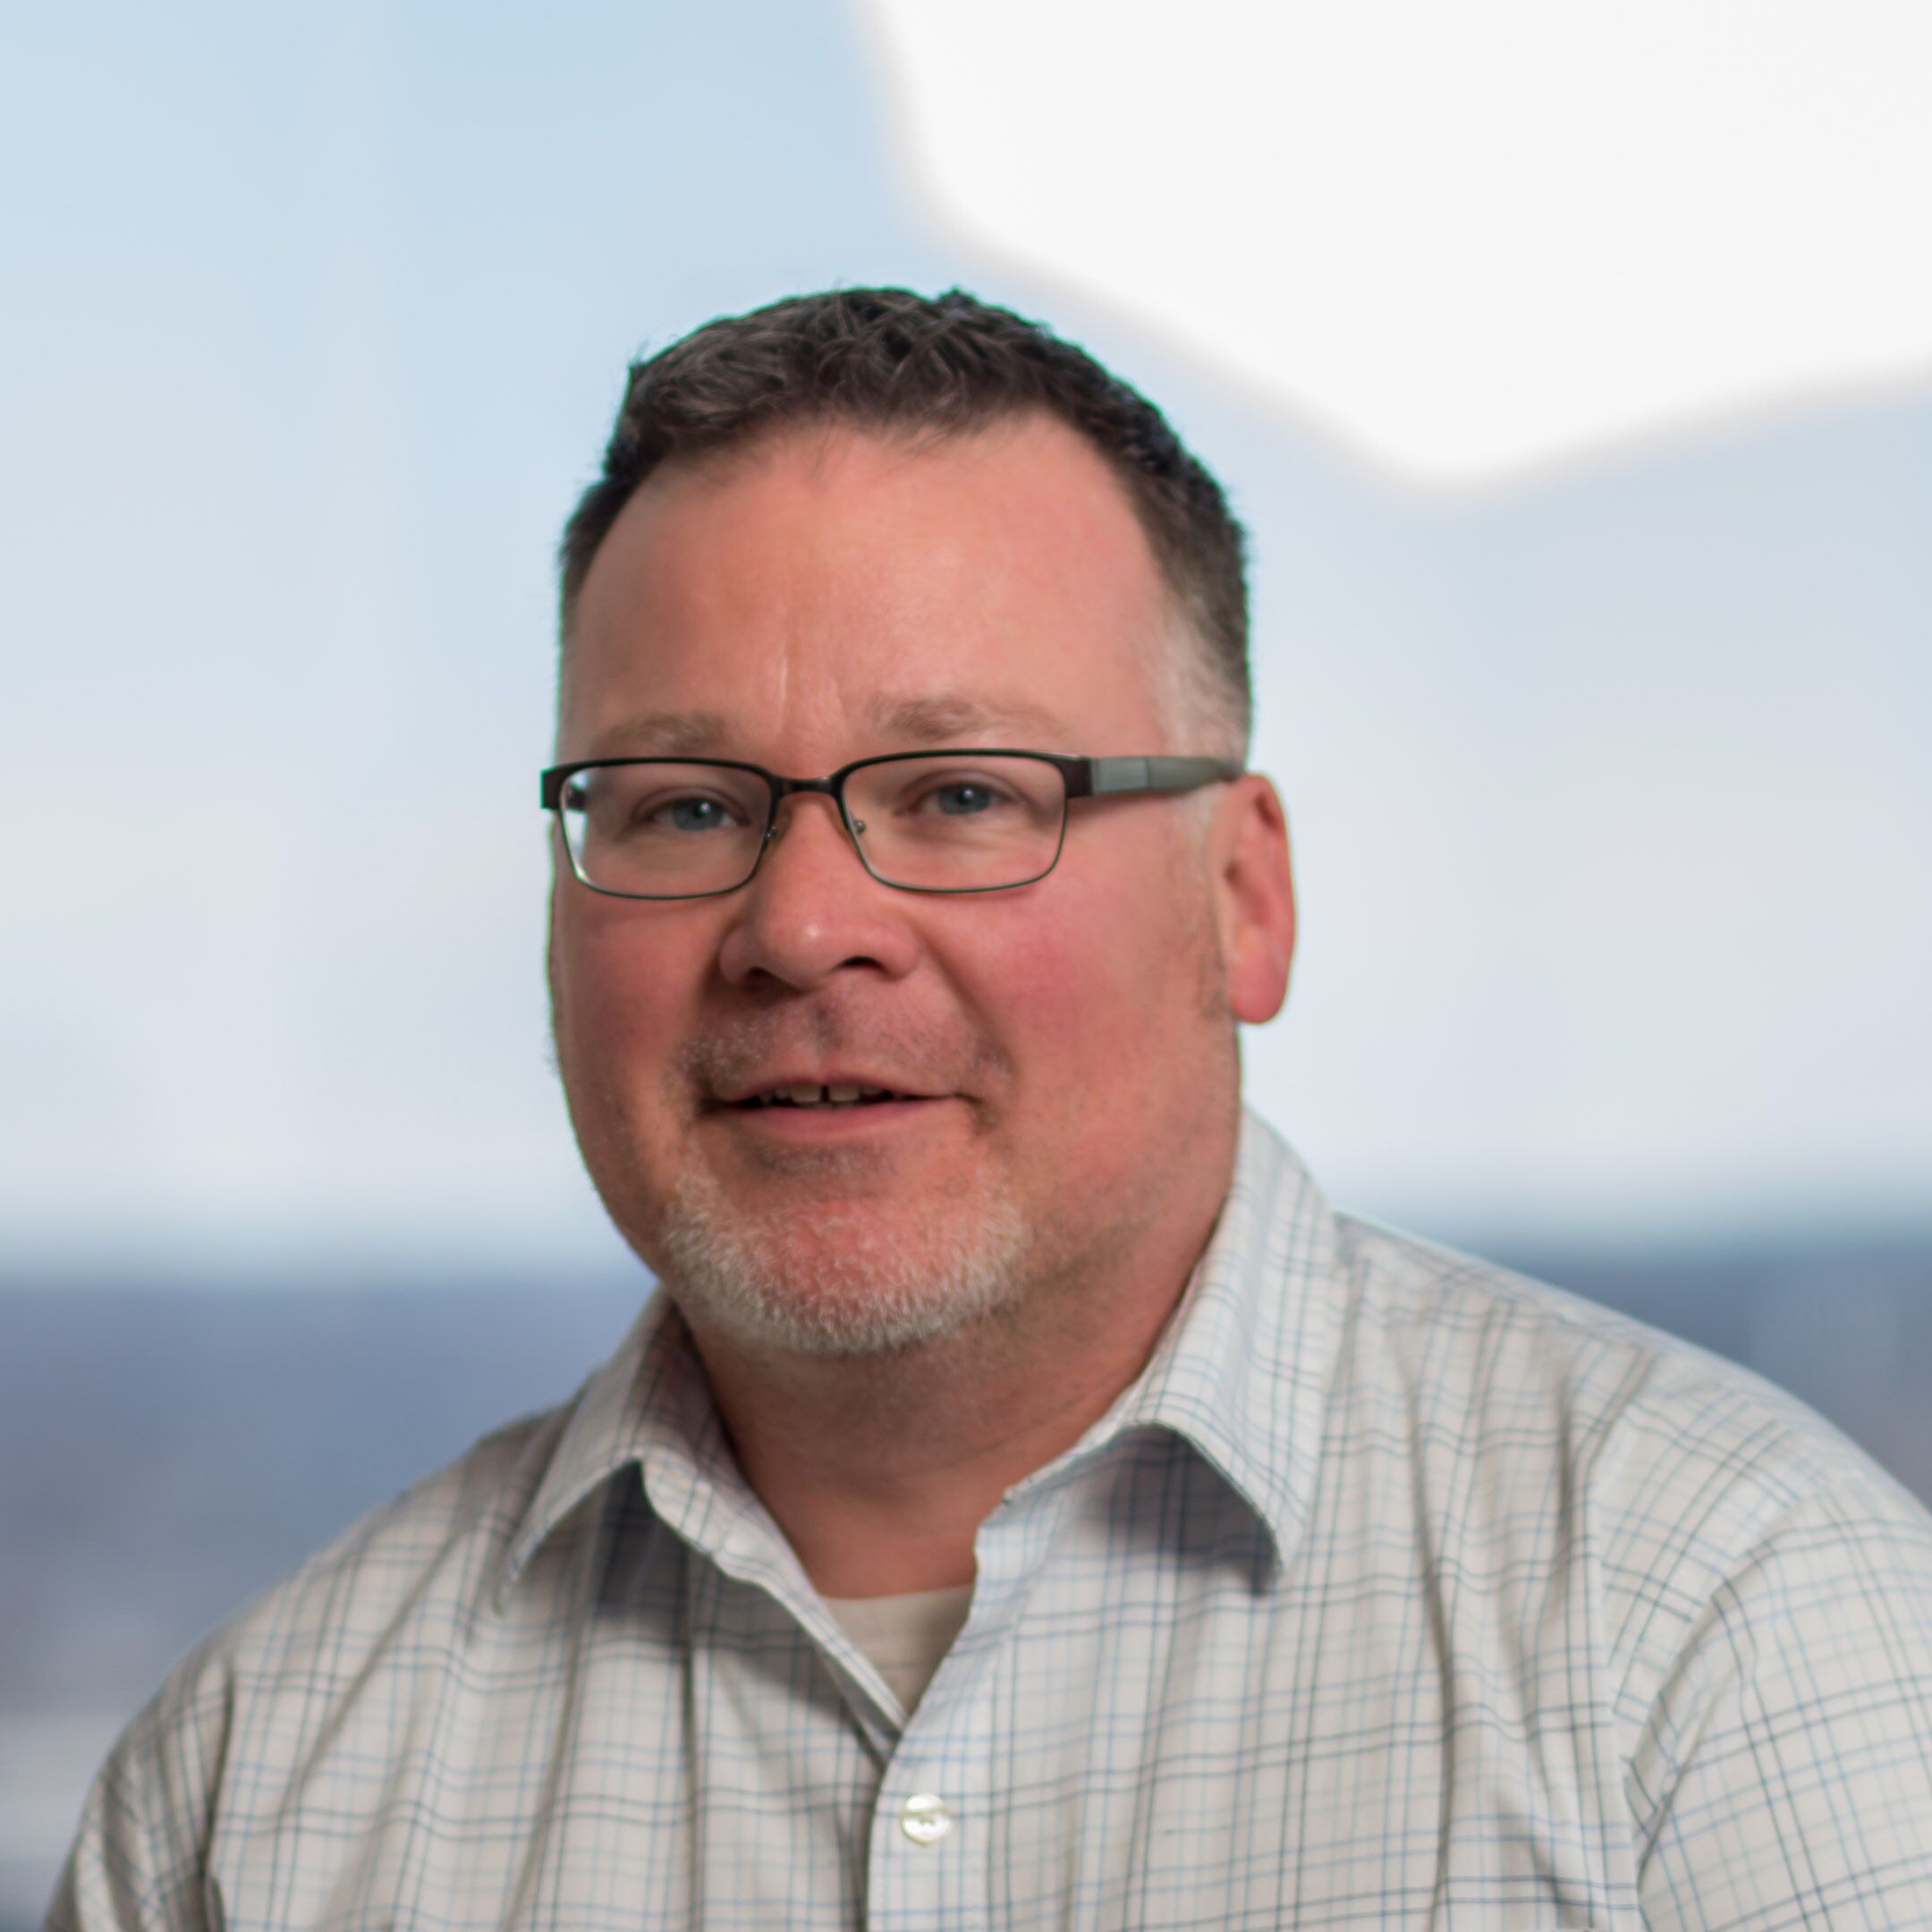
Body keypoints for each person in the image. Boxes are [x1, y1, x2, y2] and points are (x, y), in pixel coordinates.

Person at [47, 287, 1932, 1931]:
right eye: (685, 807)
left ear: (1242, 898)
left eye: (961, 795)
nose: (801, 929)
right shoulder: (249, 1796)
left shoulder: (1732, 1642)